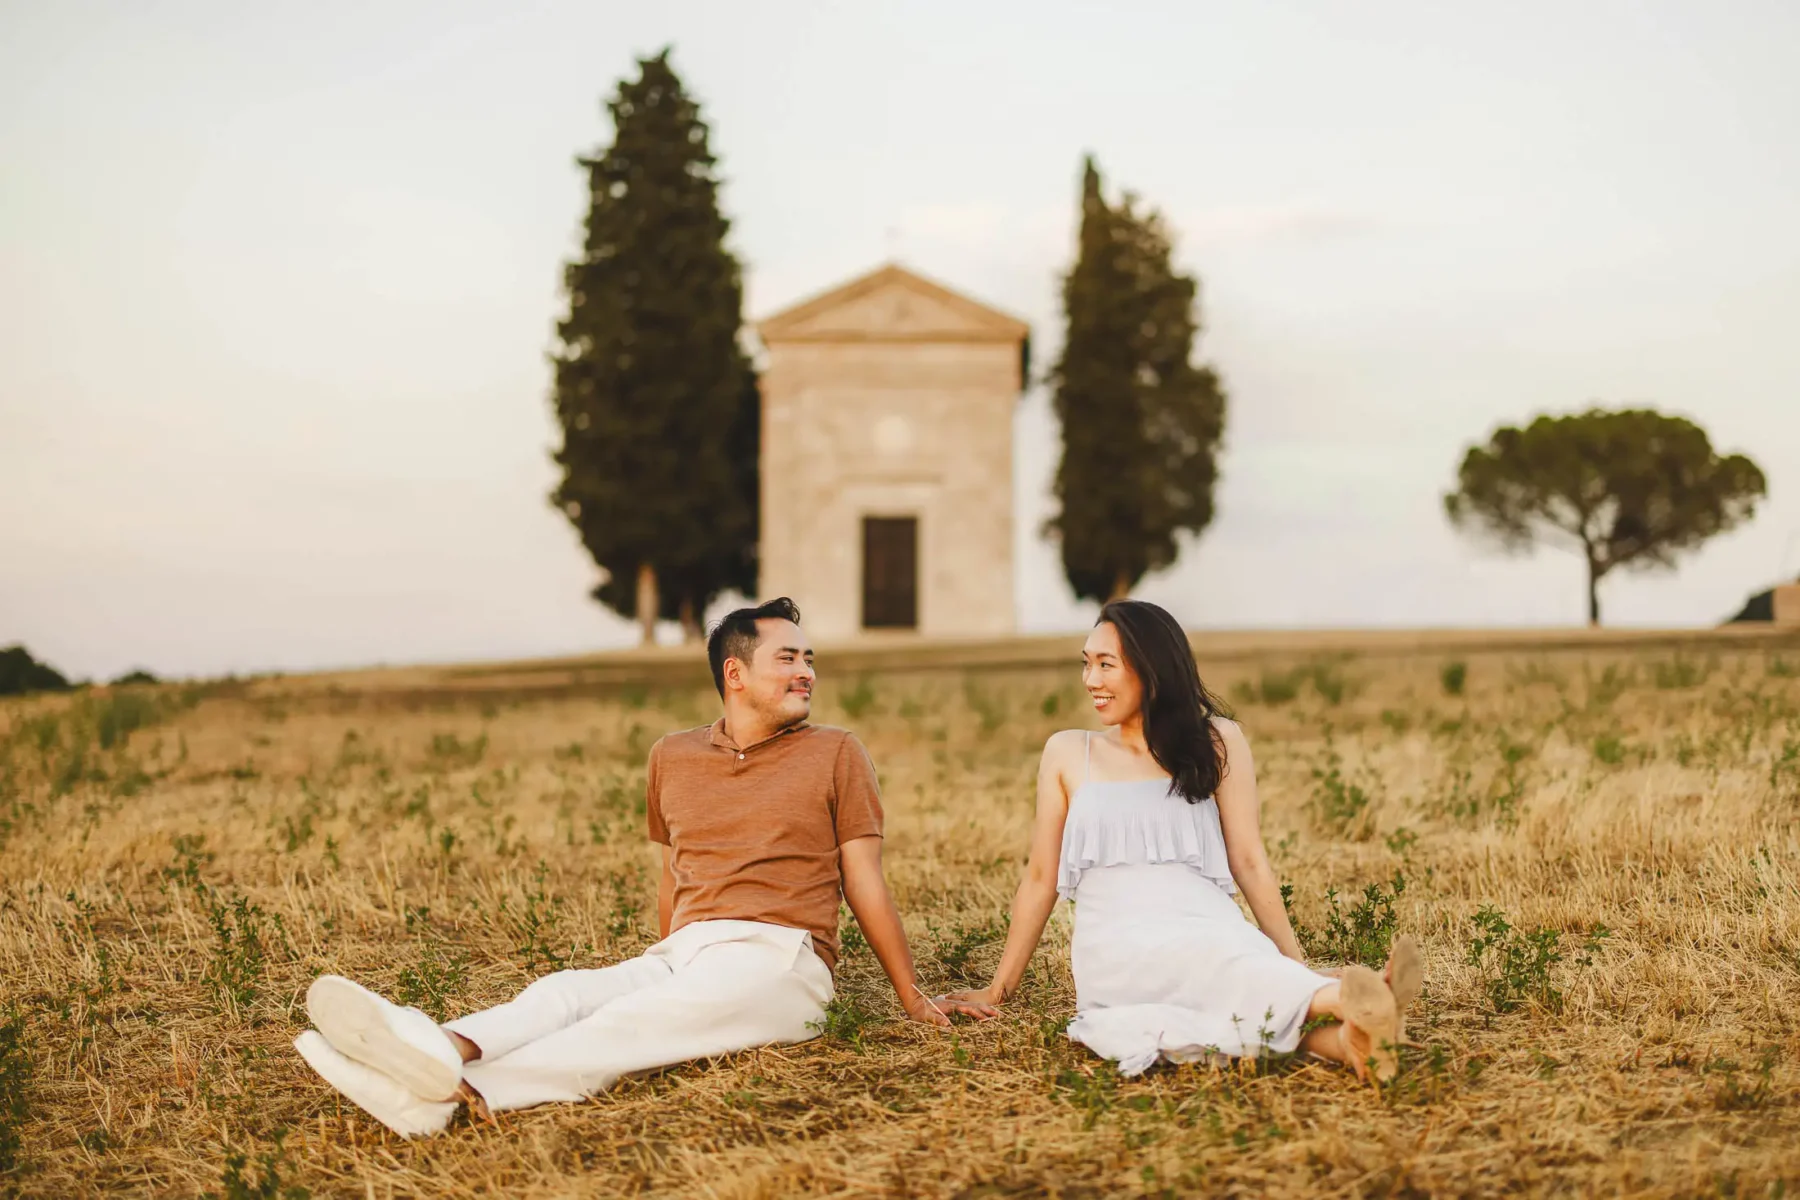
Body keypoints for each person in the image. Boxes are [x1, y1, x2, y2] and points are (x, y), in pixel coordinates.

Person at [294, 597, 987, 1136]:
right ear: (735, 673)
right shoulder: (673, 755)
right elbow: (673, 874)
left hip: (782, 960)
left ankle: (456, 1094)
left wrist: (912, 998)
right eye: (788, 658)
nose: (807, 671)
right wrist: (667, 951)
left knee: (633, 1022)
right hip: (685, 949)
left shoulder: (837, 752)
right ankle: (435, 1046)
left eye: (810, 658)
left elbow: (864, 879)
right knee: (566, 992)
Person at [945, 599, 1422, 1081]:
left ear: (1152, 672)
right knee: (1218, 971)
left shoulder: (1217, 740)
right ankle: (1351, 997)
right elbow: (1041, 877)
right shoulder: (1069, 752)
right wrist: (997, 989)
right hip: (1120, 941)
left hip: (1207, 920)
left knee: (1231, 967)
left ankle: (1352, 1041)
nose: (1091, 680)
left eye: (1106, 665)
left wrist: (1294, 966)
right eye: (1086, 663)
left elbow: (1249, 860)